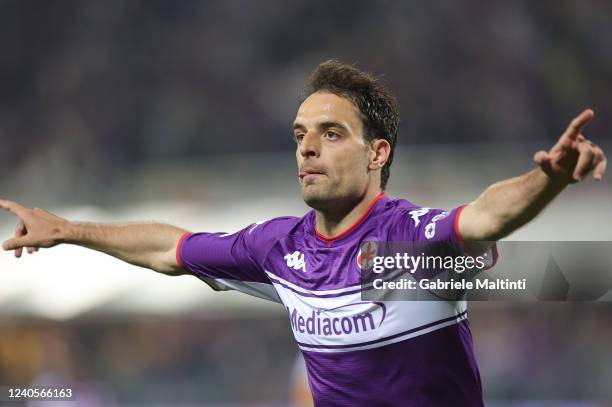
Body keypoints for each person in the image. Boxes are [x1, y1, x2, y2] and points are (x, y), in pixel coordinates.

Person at [0, 60, 607, 406]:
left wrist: (546, 181)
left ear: (377, 153)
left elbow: (486, 215)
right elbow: (171, 248)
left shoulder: (410, 241)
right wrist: (69, 230)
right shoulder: (276, 248)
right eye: (299, 135)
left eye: (331, 133)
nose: (309, 148)